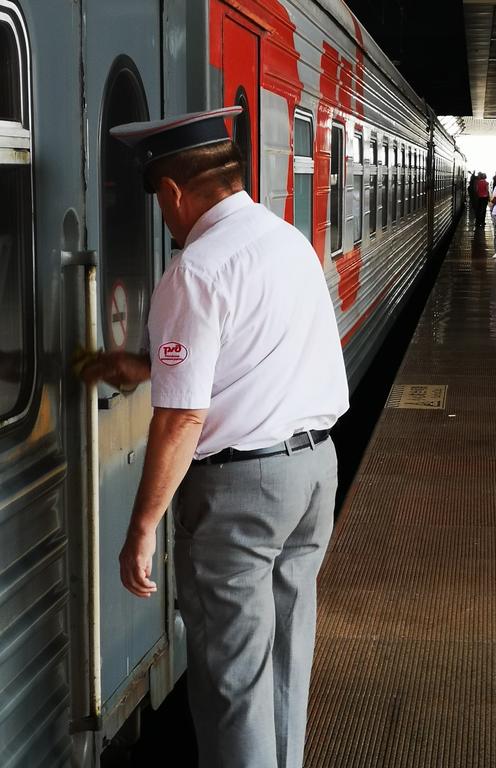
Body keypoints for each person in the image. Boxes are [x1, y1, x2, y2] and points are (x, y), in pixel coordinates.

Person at [81, 107, 349, 768]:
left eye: (159, 199)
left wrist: (142, 528)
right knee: (285, 662)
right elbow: (248, 352)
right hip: (312, 473)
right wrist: (146, 366)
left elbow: (181, 419)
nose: (164, 216)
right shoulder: (286, 240)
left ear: (174, 191)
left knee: (234, 685)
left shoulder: (196, 270)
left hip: (240, 495)